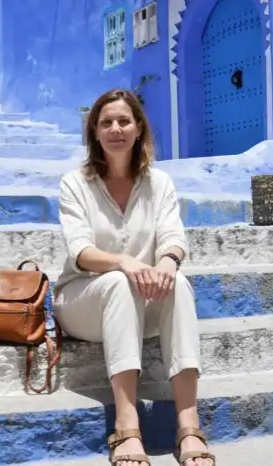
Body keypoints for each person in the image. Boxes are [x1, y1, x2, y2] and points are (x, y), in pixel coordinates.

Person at [53, 89, 215, 466]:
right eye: (106, 122)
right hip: (83, 301)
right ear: (94, 130)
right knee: (116, 281)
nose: (115, 129)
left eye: (124, 121)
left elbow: (173, 238)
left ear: (139, 128)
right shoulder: (75, 184)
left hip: (140, 303)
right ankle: (127, 425)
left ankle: (188, 424)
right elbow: (81, 251)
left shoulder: (159, 184)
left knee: (180, 283)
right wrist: (126, 262)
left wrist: (168, 264)